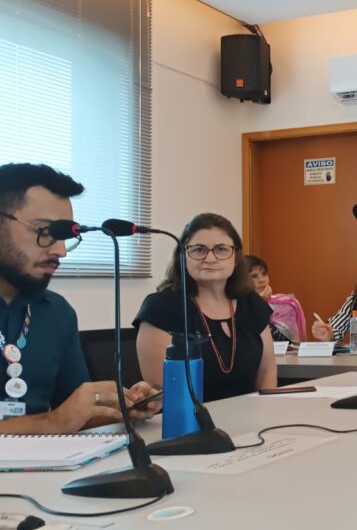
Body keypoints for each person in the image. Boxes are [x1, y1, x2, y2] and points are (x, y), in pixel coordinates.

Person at [0, 162, 159, 433]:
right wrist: (52, 421)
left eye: (65, 236)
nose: (61, 251)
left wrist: (121, 407)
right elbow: (59, 419)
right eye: (45, 231)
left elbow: (72, 412)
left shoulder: (56, 312)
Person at [134, 213, 277, 401]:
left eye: (221, 249)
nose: (210, 258)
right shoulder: (161, 308)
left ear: (235, 257)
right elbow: (165, 393)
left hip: (252, 422)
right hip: (189, 423)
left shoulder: (251, 304)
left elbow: (267, 372)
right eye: (199, 249)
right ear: (183, 256)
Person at [244, 254, 307, 343]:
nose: (262, 280)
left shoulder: (285, 304)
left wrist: (261, 304)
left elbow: (283, 340)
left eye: (264, 274)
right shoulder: (234, 306)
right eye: (254, 276)